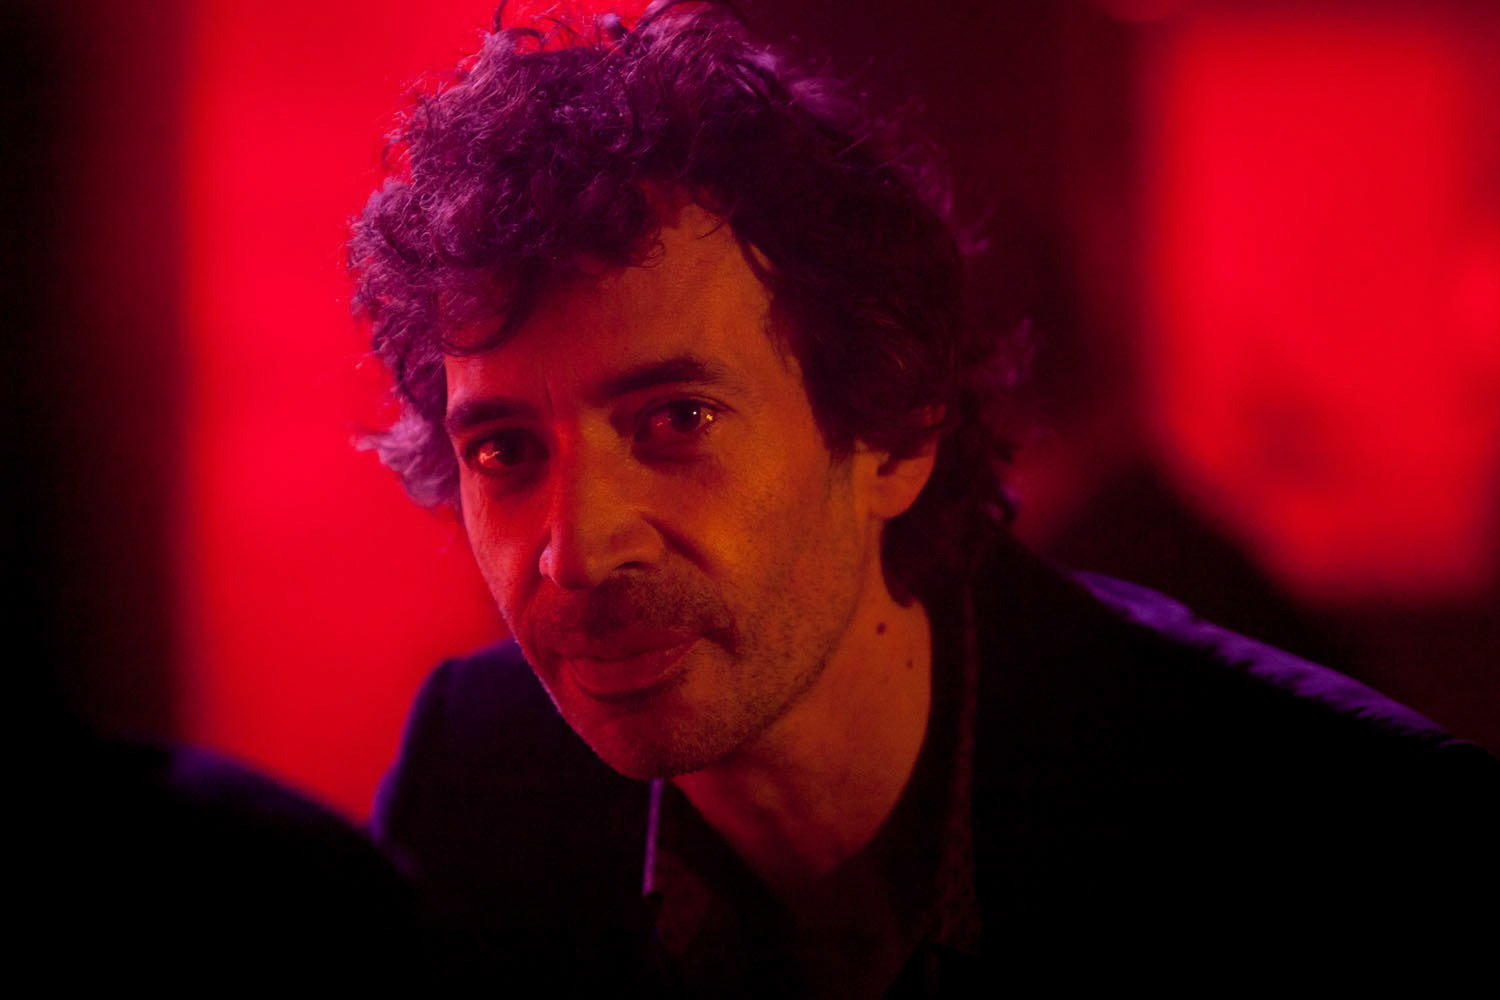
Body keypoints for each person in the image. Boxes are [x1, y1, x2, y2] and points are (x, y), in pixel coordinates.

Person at [349, 2, 1497, 992]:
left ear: (893, 433)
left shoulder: (1323, 832)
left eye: (676, 420)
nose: (579, 550)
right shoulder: (482, 780)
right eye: (505, 449)